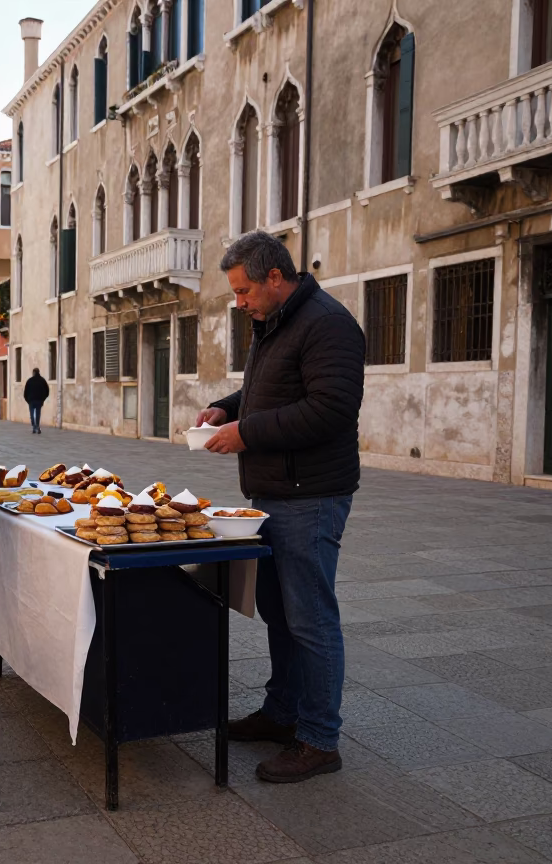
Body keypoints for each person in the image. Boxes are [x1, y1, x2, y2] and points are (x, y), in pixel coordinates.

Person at [197, 231, 364, 784]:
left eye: (244, 290)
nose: (239, 301)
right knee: (279, 614)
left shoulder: (328, 324)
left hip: (310, 498)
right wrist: (226, 409)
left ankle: (319, 740)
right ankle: (281, 713)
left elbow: (329, 410)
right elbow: (269, 392)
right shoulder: (273, 324)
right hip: (272, 495)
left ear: (275, 277)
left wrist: (247, 434)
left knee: (311, 620)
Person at [23, 367, 49, 434]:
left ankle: (34, 426)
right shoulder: (42, 380)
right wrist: (43, 399)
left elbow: (25, 392)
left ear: (33, 373)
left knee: (32, 414)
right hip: (39, 400)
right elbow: (47, 391)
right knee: (38, 414)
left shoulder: (30, 380)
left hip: (31, 400)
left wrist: (27, 400)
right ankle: (37, 426)